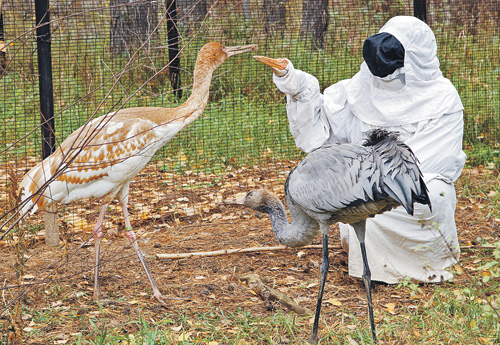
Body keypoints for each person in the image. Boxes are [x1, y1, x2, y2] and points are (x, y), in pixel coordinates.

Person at [270, 16, 466, 283]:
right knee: (356, 205)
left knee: (435, 195)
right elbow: (321, 133)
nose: (387, 76)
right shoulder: (359, 89)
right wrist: (300, 87)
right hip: (362, 185)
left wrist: (382, 176)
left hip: (415, 184)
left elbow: (434, 161)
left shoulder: (442, 99)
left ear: (416, 59)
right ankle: (371, 268)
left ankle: (427, 267)